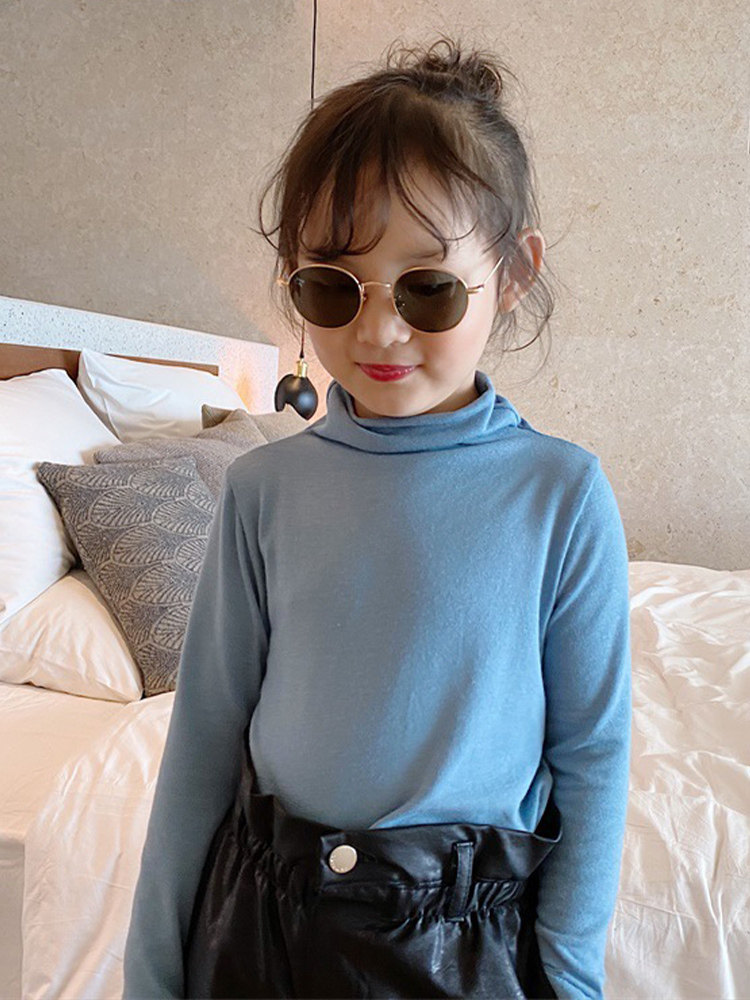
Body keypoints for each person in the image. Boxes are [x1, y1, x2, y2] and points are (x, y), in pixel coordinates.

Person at [122, 36, 631, 1000]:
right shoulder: (262, 489)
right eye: (331, 285)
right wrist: (151, 970)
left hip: (464, 937)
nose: (379, 329)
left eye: (428, 287)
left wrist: (568, 972)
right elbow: (203, 742)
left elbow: (592, 758)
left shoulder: (560, 494)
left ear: (512, 275)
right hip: (267, 921)